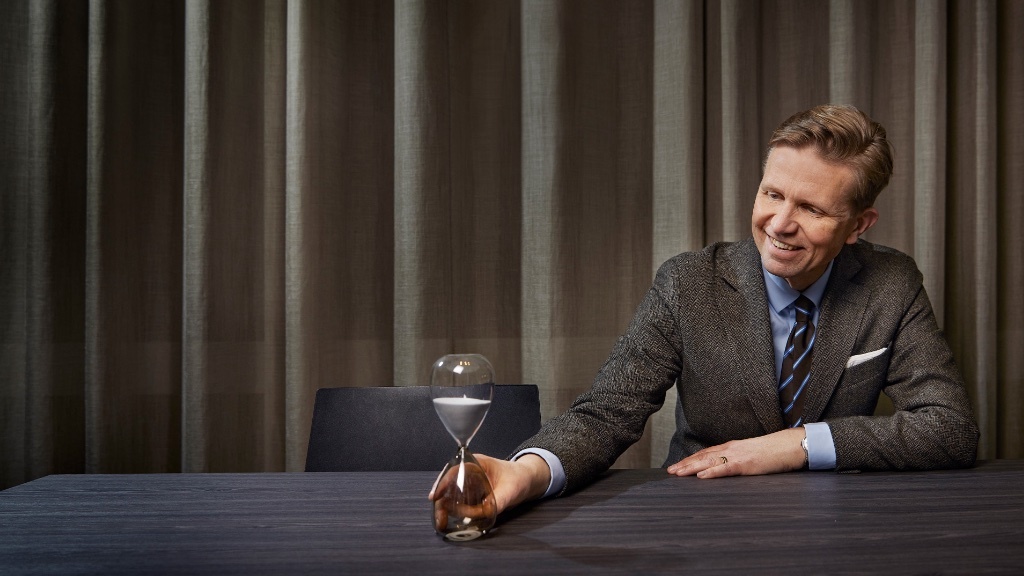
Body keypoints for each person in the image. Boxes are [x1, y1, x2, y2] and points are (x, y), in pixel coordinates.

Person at [429, 104, 979, 516]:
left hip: (836, 522)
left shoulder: (891, 282)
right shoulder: (688, 282)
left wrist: (795, 445)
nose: (780, 224)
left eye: (810, 208)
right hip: (703, 515)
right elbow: (607, 414)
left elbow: (949, 428)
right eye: (771, 194)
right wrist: (525, 475)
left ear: (859, 225)